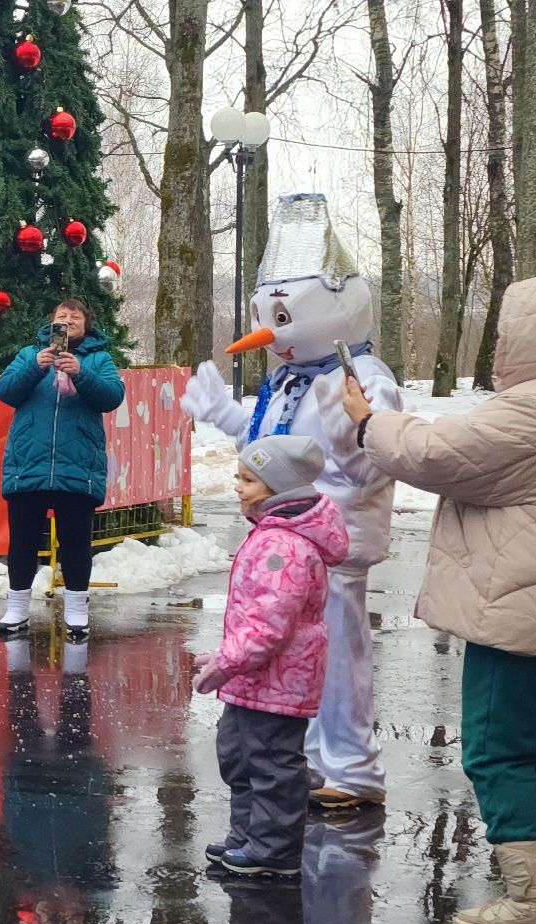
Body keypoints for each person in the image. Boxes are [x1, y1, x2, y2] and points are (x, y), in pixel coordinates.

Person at [341, 272, 536, 924]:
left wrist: (368, 421)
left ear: (534, 332)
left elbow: (436, 454)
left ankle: (532, 905)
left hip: (526, 610)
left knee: (497, 751)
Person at [183, 192, 403, 813]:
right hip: (285, 544)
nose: (271, 336)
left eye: (284, 321)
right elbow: (272, 449)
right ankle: (303, 757)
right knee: (294, 660)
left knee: (336, 656)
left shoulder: (361, 377)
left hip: (330, 543)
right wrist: (228, 413)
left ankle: (352, 767)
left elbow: (378, 454)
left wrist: (353, 433)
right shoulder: (290, 379)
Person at [193, 435, 349, 877]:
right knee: (239, 756)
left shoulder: (285, 546)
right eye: (238, 477)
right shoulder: (269, 533)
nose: (238, 487)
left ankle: (274, 850)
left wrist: (227, 662)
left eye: (248, 479)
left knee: (272, 763)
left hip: (279, 680)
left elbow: (269, 624)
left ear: (279, 488)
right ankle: (247, 834)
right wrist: (228, 658)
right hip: (253, 677)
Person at [0, 298, 124, 642]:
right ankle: (17, 607)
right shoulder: (29, 355)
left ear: (86, 325)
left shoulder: (99, 359)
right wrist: (35, 366)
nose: (67, 321)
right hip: (29, 465)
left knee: (76, 542)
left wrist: (82, 372)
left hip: (78, 465)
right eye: (61, 316)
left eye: (75, 316)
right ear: (51, 324)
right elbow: (4, 391)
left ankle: (77, 610)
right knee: (22, 540)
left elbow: (112, 396)